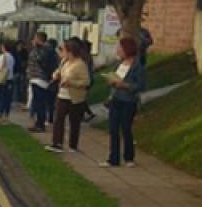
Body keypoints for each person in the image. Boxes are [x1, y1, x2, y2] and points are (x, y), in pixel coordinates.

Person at [100, 38, 146, 168]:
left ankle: (129, 157)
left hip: (128, 101)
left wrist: (125, 85)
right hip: (116, 99)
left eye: (120, 48)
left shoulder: (137, 66)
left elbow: (140, 85)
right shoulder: (119, 64)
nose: (118, 51)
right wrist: (111, 81)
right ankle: (113, 158)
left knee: (126, 128)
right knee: (113, 129)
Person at [45, 38, 90, 153]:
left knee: (74, 122)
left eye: (64, 50)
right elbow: (58, 71)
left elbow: (86, 82)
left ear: (70, 51)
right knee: (58, 119)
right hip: (62, 95)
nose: (62, 52)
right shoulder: (64, 61)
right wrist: (56, 75)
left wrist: (72, 83)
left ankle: (73, 145)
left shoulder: (80, 64)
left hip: (75, 97)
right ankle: (57, 143)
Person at [26, 32, 54, 133]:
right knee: (37, 103)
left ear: (39, 39)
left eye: (35, 38)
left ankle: (40, 124)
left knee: (39, 103)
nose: (33, 41)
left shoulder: (43, 50)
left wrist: (36, 48)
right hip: (36, 78)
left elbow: (40, 61)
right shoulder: (43, 49)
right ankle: (38, 123)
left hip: (39, 78)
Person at [74, 37, 97, 122]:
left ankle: (85, 114)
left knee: (81, 98)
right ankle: (87, 113)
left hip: (86, 79)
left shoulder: (84, 56)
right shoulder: (88, 55)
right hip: (88, 79)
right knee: (82, 98)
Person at [0, 41, 16, 123]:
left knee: (1, 98)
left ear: (4, 47)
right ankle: (7, 116)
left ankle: (0, 116)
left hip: (2, 79)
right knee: (8, 99)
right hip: (10, 79)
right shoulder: (12, 57)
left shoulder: (2, 56)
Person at [45, 39, 61, 125]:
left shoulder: (51, 56)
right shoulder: (57, 56)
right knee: (50, 101)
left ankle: (49, 118)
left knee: (49, 101)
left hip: (51, 80)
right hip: (53, 80)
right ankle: (49, 117)